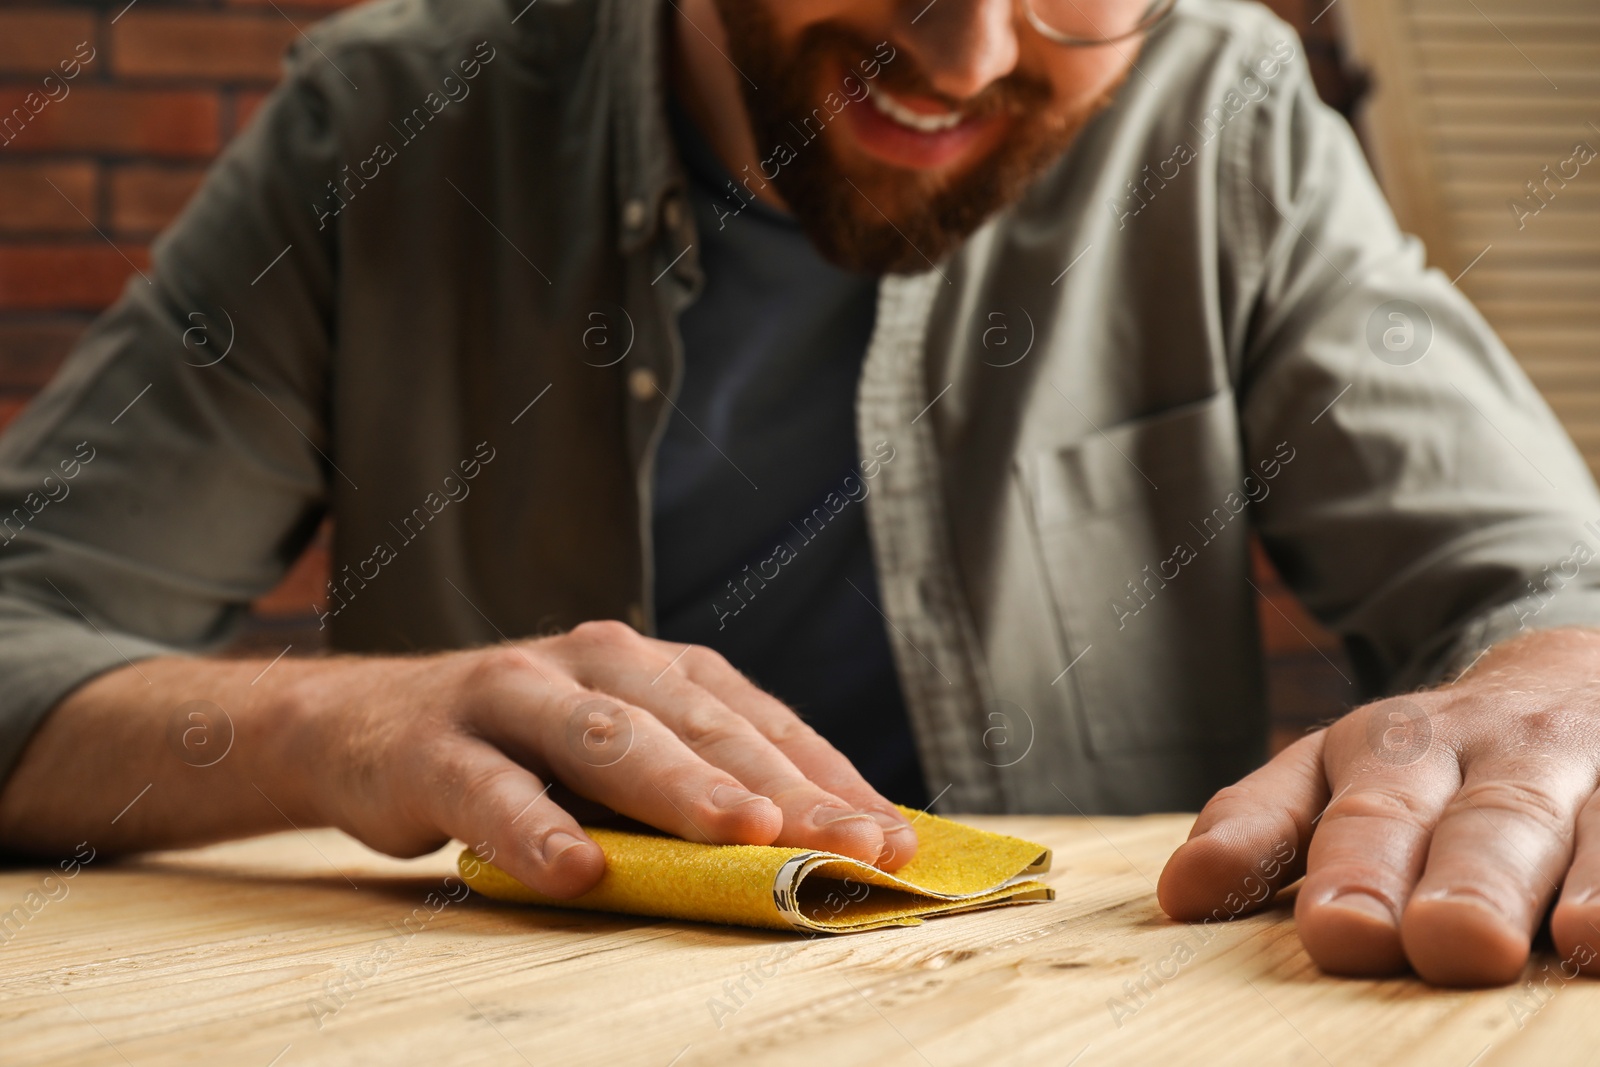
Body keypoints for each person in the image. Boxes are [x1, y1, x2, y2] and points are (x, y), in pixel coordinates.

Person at [1, 0, 1597, 990]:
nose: (968, 52)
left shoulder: (1225, 112)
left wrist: (1549, 693)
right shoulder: (382, 124)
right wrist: (334, 728)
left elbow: (1545, 591)